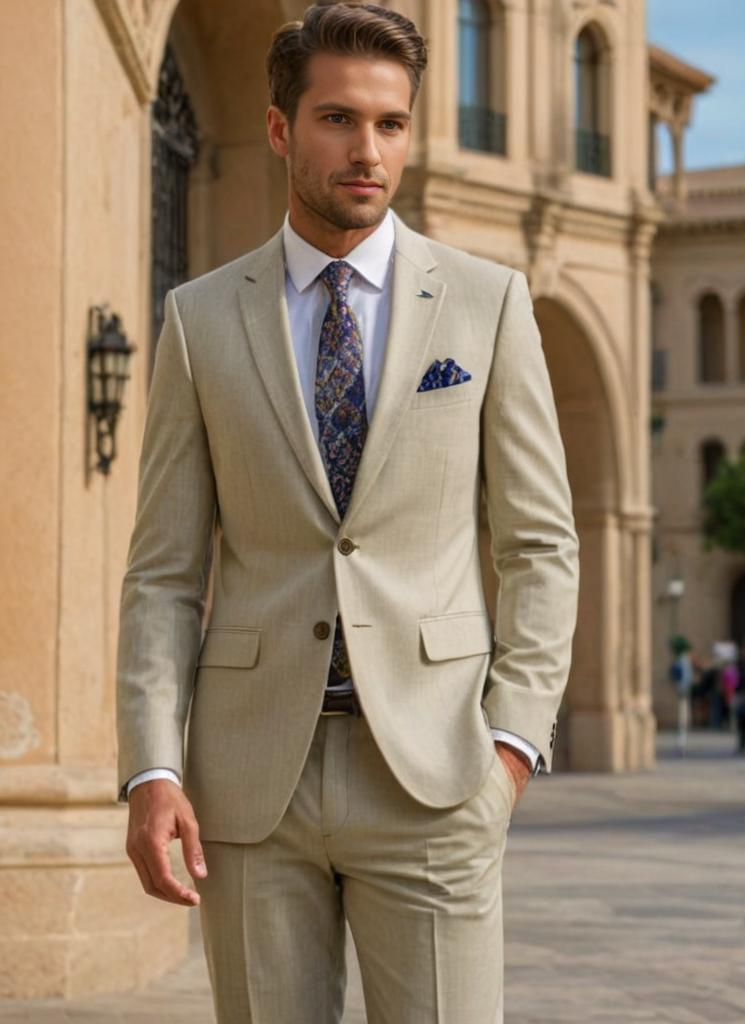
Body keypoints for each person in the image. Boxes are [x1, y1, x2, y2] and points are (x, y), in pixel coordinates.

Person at [116, 4, 579, 1021]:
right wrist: (152, 765)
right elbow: (161, 572)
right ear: (281, 130)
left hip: (435, 773)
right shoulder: (200, 320)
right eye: (337, 119)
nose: (367, 150)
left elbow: (543, 545)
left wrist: (510, 749)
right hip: (249, 784)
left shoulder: (486, 303)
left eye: (390, 123)